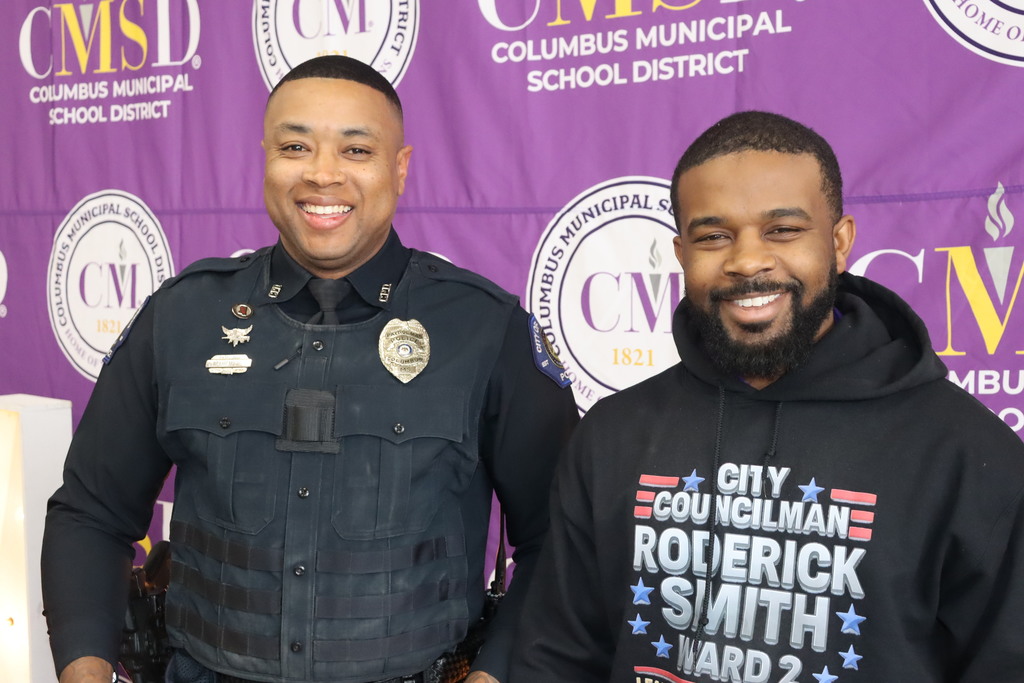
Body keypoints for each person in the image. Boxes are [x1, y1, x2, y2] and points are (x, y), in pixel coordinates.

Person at [41, 56, 578, 683]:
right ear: (265, 158)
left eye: (356, 150)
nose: (323, 174)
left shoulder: (485, 329)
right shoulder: (181, 316)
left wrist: (495, 676)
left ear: (399, 169)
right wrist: (85, 669)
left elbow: (558, 542)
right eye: (296, 145)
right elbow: (91, 514)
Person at [509, 111, 1024, 682]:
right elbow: (559, 654)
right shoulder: (612, 434)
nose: (747, 260)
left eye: (782, 230)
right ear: (681, 255)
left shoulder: (967, 452)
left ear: (840, 242)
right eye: (714, 236)